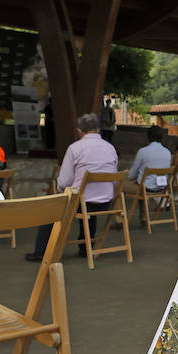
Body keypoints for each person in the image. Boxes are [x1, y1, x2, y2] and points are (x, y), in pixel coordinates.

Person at [26, 112, 117, 262]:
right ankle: (86, 247)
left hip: (81, 203)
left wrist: (61, 192)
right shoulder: (110, 148)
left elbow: (63, 182)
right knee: (87, 201)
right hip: (106, 202)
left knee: (53, 207)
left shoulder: (75, 148)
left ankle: (41, 252)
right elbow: (113, 177)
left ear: (79, 131)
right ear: (98, 129)